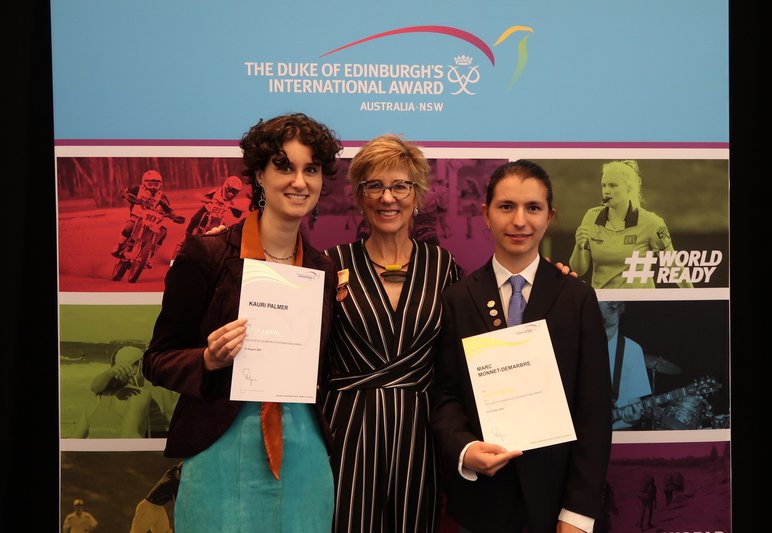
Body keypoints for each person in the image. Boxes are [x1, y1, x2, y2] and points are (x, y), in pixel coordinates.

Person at [142, 113, 342, 532]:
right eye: (284, 167)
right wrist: (207, 360)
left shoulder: (323, 270)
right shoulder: (207, 255)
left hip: (303, 451)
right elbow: (156, 360)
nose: (299, 181)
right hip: (220, 444)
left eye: (311, 169)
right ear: (260, 175)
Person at [430, 160, 612, 532]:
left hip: (558, 505)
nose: (519, 221)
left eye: (533, 208)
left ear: (550, 216)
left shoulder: (576, 299)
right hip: (482, 506)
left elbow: (594, 411)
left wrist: (577, 512)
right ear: (485, 214)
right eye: (506, 206)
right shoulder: (457, 299)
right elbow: (445, 394)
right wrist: (465, 449)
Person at [323, 133, 462, 532]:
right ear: (359, 195)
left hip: (419, 434)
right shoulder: (331, 264)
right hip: (347, 431)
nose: (388, 198)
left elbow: (467, 347)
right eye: (375, 186)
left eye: (400, 186)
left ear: (417, 195)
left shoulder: (443, 267)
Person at [568, 160, 693, 289]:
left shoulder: (651, 222)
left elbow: (674, 266)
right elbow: (578, 270)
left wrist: (693, 296)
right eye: (603, 185)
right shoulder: (591, 217)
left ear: (629, 187)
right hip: (602, 300)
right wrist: (579, 247)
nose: (606, 191)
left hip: (640, 300)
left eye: (613, 185)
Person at [72, 345, 154, 438]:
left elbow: (74, 439)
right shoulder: (139, 395)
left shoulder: (96, 399)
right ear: (136, 367)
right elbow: (128, 438)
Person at [111, 170, 185, 265]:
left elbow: (168, 208)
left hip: (152, 219)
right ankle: (119, 245)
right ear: (144, 182)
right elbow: (124, 193)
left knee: (163, 232)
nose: (153, 187)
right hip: (137, 215)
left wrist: (175, 216)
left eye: (156, 185)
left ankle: (149, 255)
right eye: (150, 184)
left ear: (160, 185)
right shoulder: (137, 189)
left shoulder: (161, 196)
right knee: (130, 225)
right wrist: (127, 196)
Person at [599, 301, 652, 430]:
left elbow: (634, 403)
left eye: (611, 326)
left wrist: (634, 416)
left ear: (619, 313)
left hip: (618, 430)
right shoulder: (581, 347)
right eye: (601, 324)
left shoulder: (632, 350)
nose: (606, 332)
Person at [130, 462, 182, 533]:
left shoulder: (171, 472)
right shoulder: (174, 483)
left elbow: (175, 467)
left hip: (159, 509)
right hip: (147, 507)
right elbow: (178, 504)